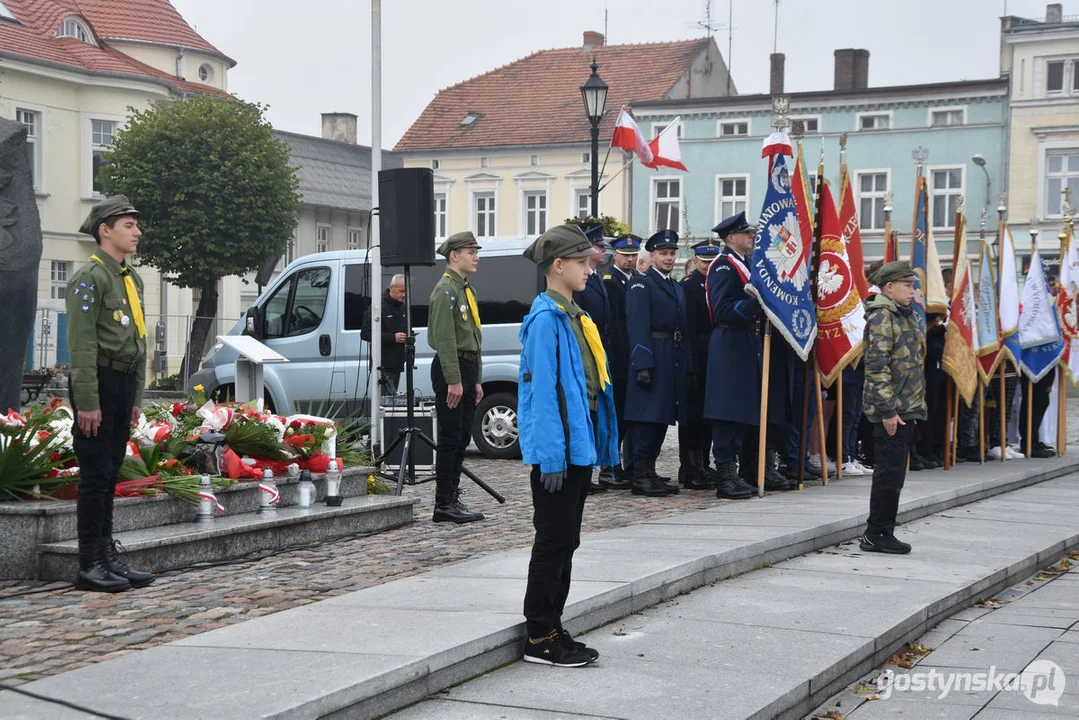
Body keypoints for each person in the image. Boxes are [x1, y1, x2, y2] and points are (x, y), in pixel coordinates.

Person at [518, 224, 618, 667]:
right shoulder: (546, 320)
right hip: (557, 455)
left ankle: (554, 625)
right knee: (553, 541)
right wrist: (553, 457)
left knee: (568, 541)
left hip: (576, 449)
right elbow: (543, 394)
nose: (590, 269)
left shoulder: (574, 314)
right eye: (582, 262)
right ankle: (538, 635)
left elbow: (585, 389)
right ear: (558, 266)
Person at [66, 196, 154, 592]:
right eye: (128, 225)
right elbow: (81, 346)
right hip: (98, 382)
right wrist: (87, 401)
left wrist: (136, 396)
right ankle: (90, 563)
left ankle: (107, 556)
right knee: (96, 474)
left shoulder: (129, 278)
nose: (137, 232)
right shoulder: (90, 277)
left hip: (122, 383)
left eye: (136, 225)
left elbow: (138, 339)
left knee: (111, 471)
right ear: (105, 229)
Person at [705, 212, 783, 497]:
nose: (751, 237)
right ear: (730, 238)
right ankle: (725, 472)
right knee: (728, 409)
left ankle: (738, 469)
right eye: (745, 233)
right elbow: (721, 309)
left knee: (743, 408)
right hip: (730, 342)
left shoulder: (745, 264)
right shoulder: (723, 266)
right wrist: (756, 304)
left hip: (747, 342)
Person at [861, 261, 926, 554]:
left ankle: (882, 531)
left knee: (896, 476)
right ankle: (877, 534)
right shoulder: (882, 316)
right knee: (889, 475)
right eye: (907, 285)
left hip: (906, 407)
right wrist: (888, 410)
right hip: (891, 412)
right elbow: (877, 367)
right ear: (890, 287)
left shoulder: (904, 314)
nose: (913, 291)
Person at [624, 229, 689, 497]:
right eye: (663, 253)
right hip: (652, 354)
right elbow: (637, 325)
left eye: (672, 253)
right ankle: (639, 474)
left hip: (670, 356)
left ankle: (650, 471)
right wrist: (642, 364)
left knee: (661, 417)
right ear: (652, 256)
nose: (669, 258)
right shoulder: (642, 284)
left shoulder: (674, 286)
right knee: (647, 418)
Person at [427, 231, 485, 524]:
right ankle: (443, 503)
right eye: (470, 251)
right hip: (453, 367)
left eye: (476, 251)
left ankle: (452, 497)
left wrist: (476, 379)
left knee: (462, 436)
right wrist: (454, 379)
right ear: (454, 256)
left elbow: (475, 336)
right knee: (450, 437)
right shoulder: (445, 290)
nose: (476, 256)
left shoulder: (465, 289)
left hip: (467, 366)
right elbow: (444, 338)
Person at [572, 225, 623, 492]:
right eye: (599, 247)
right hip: (588, 350)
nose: (603, 251)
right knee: (588, 411)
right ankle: (587, 472)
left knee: (600, 412)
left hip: (601, 348)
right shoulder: (582, 281)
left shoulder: (595, 277)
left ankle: (600, 467)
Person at [677, 240, 721, 490]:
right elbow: (689, 328)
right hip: (696, 353)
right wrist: (691, 364)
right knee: (692, 416)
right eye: (704, 261)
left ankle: (704, 463)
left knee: (708, 415)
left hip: (714, 355)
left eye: (712, 261)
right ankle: (690, 466)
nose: (708, 266)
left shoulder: (716, 283)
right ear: (695, 262)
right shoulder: (689, 287)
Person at [604, 233, 641, 482]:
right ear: (615, 255)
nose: (630, 260)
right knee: (617, 414)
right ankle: (610, 466)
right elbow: (615, 323)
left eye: (633, 255)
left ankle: (628, 465)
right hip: (619, 354)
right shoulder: (610, 281)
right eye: (625, 255)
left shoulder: (639, 280)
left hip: (634, 354)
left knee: (631, 414)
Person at [361, 273, 407, 395]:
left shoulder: (403, 308)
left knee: (393, 400)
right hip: (383, 364)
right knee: (385, 401)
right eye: (401, 291)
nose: (404, 295)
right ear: (391, 288)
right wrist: (393, 338)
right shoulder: (377, 307)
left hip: (398, 362)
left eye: (405, 291)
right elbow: (365, 333)